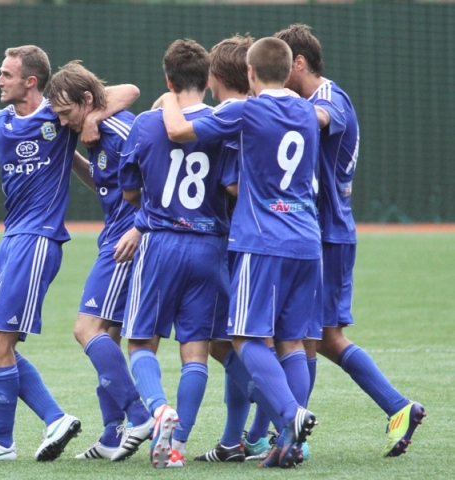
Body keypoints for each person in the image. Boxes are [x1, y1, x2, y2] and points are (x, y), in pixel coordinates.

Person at [0, 45, 139, 462]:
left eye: (6, 74)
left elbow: (127, 91)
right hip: (10, 241)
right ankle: (52, 420)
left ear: (30, 81)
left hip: (37, 240)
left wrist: (91, 119)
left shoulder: (57, 115)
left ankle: (3, 442)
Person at [160, 37, 327, 468]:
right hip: (307, 239)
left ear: (250, 73)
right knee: (291, 340)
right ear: (288, 72)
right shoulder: (307, 110)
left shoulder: (244, 110)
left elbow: (178, 131)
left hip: (263, 239)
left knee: (245, 337)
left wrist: (169, 97)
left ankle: (289, 416)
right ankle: (288, 443)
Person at [274, 23, 426, 458]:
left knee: (310, 337)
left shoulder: (329, 98)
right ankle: (397, 407)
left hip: (326, 233)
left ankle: (291, 437)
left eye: (283, 65)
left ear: (299, 62)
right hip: (322, 231)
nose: (278, 75)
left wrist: (268, 106)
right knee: (319, 337)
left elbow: (322, 118)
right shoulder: (312, 98)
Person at [118, 39, 235, 468]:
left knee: (141, 343)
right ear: (207, 80)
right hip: (209, 245)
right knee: (196, 351)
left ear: (168, 81)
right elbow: (232, 188)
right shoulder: (222, 124)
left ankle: (158, 408)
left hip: (160, 242)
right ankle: (178, 445)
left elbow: (129, 192)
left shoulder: (146, 123)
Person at [45, 61, 154, 462]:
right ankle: (111, 434)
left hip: (127, 241)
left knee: (85, 329)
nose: (62, 121)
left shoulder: (121, 130)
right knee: (107, 334)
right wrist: (72, 155)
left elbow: (160, 184)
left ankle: (140, 416)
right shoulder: (93, 131)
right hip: (115, 236)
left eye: (66, 112)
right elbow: (105, 181)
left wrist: (139, 229)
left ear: (88, 100)